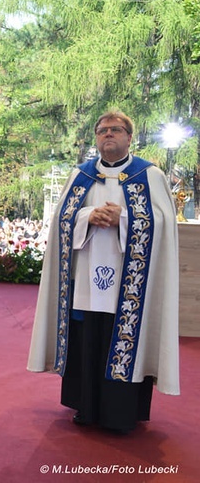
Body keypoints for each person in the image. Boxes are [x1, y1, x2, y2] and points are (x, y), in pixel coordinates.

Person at [28, 110, 180, 434]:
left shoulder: (149, 176)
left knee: (121, 339)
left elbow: (164, 225)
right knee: (88, 338)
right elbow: (62, 221)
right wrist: (87, 217)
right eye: (102, 130)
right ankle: (86, 408)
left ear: (129, 137)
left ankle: (121, 415)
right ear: (96, 137)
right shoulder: (81, 175)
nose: (108, 134)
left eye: (115, 129)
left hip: (130, 291)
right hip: (85, 281)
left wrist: (123, 220)